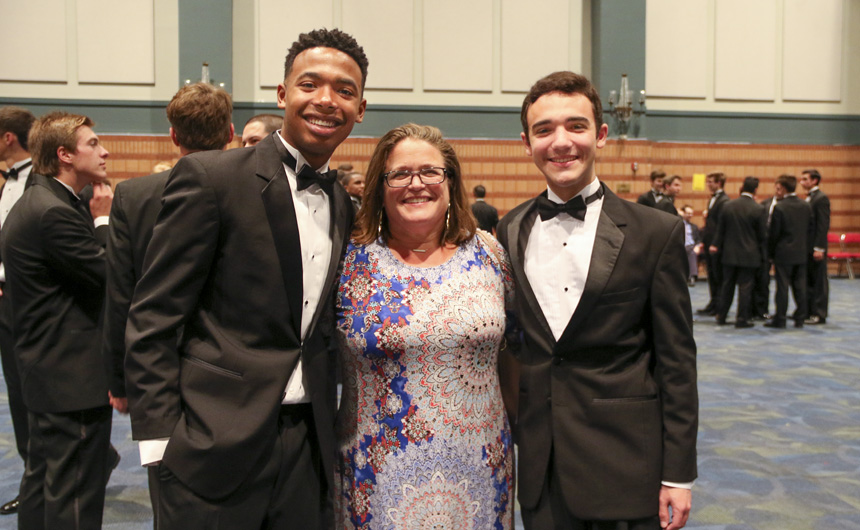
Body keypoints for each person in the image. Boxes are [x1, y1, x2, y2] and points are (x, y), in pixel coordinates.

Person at [124, 28, 367, 529]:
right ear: (282, 94)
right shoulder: (211, 178)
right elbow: (154, 316)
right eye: (309, 84)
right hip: (209, 442)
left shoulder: (345, 205)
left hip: (309, 444)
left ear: (360, 108)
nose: (326, 99)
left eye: (344, 90)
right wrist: (161, 443)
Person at [497, 71, 697, 530]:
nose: (561, 142)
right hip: (542, 467)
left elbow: (677, 362)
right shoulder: (510, 228)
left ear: (601, 135)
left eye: (576, 126)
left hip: (625, 463)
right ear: (527, 143)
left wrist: (678, 473)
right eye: (544, 130)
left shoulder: (655, 232)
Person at [334, 123, 515, 529]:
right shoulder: (349, 260)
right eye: (400, 174)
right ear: (380, 185)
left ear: (450, 182)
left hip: (480, 472)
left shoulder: (489, 253)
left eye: (431, 172)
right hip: (374, 476)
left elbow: (517, 348)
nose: (416, 184)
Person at [101, 82, 233, 518]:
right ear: (230, 132)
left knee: (172, 500)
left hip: (159, 369)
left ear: (173, 135)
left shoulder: (133, 195)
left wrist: (120, 380)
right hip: (238, 369)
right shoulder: (254, 190)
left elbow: (121, 295)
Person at [0, 111, 114, 530]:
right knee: (76, 493)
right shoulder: (53, 211)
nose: (104, 151)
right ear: (64, 155)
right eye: (93, 144)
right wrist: (103, 220)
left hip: (47, 368)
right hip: (70, 377)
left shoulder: (45, 199)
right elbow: (108, 274)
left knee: (42, 481)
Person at [709, 177, 766, 328]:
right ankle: (741, 319)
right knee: (745, 287)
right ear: (755, 190)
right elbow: (762, 235)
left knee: (727, 285)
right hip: (749, 254)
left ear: (742, 188)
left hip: (729, 253)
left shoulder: (728, 206)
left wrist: (715, 245)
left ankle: (721, 316)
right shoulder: (758, 209)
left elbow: (720, 230)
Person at [765, 175, 813, 329]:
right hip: (801, 252)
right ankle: (800, 318)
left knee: (782, 287)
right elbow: (810, 229)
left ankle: (780, 318)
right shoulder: (806, 205)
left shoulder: (780, 207)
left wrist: (770, 253)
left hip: (783, 253)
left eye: (778, 188)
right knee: (800, 286)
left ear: (784, 188)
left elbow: (774, 233)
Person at [801, 169, 829, 325]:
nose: (802, 182)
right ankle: (808, 311)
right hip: (807, 246)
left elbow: (822, 225)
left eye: (805, 179)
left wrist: (819, 247)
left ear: (814, 181)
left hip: (816, 247)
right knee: (808, 280)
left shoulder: (821, 198)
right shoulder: (809, 197)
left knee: (818, 281)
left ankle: (819, 313)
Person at [698, 172, 729, 315]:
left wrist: (715, 243)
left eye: (711, 182)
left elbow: (721, 226)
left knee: (718, 276)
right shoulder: (713, 198)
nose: (708, 184)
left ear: (719, 183)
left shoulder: (724, 200)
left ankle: (719, 305)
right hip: (709, 242)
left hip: (716, 245)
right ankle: (713, 302)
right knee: (711, 275)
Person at [681, 204, 701, 286]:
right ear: (683, 213)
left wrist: (697, 246)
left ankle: (691, 277)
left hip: (691, 247)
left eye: (691, 213)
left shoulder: (694, 226)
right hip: (681, 247)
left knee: (692, 253)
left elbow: (698, 239)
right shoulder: (678, 225)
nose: (690, 215)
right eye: (688, 213)